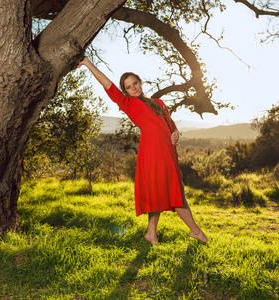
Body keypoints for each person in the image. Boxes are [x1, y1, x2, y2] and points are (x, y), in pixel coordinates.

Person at [78, 56, 208, 245]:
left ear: (140, 82)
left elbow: (171, 125)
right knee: (174, 192)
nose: (134, 88)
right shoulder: (128, 104)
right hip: (152, 153)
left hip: (168, 151)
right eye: (129, 87)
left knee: (162, 191)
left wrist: (176, 133)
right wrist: (88, 63)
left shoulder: (160, 103)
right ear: (126, 92)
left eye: (135, 83)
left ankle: (151, 234)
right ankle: (195, 231)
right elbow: (108, 85)